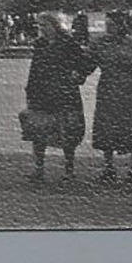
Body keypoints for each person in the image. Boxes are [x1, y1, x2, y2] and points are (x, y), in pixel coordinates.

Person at [22, 11, 97, 182]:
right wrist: (30, 89)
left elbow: (86, 64)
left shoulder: (68, 43)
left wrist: (78, 75)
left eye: (45, 25)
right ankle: (38, 168)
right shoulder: (40, 44)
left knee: (67, 131)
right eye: (40, 25)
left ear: (55, 25)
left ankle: (69, 170)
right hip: (42, 93)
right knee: (38, 130)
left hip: (64, 93)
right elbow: (35, 69)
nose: (41, 29)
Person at [91, 11, 132, 182]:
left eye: (112, 25)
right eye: (107, 25)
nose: (109, 28)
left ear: (121, 25)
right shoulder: (100, 43)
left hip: (129, 89)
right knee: (107, 127)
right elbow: (88, 64)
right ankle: (109, 167)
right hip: (107, 88)